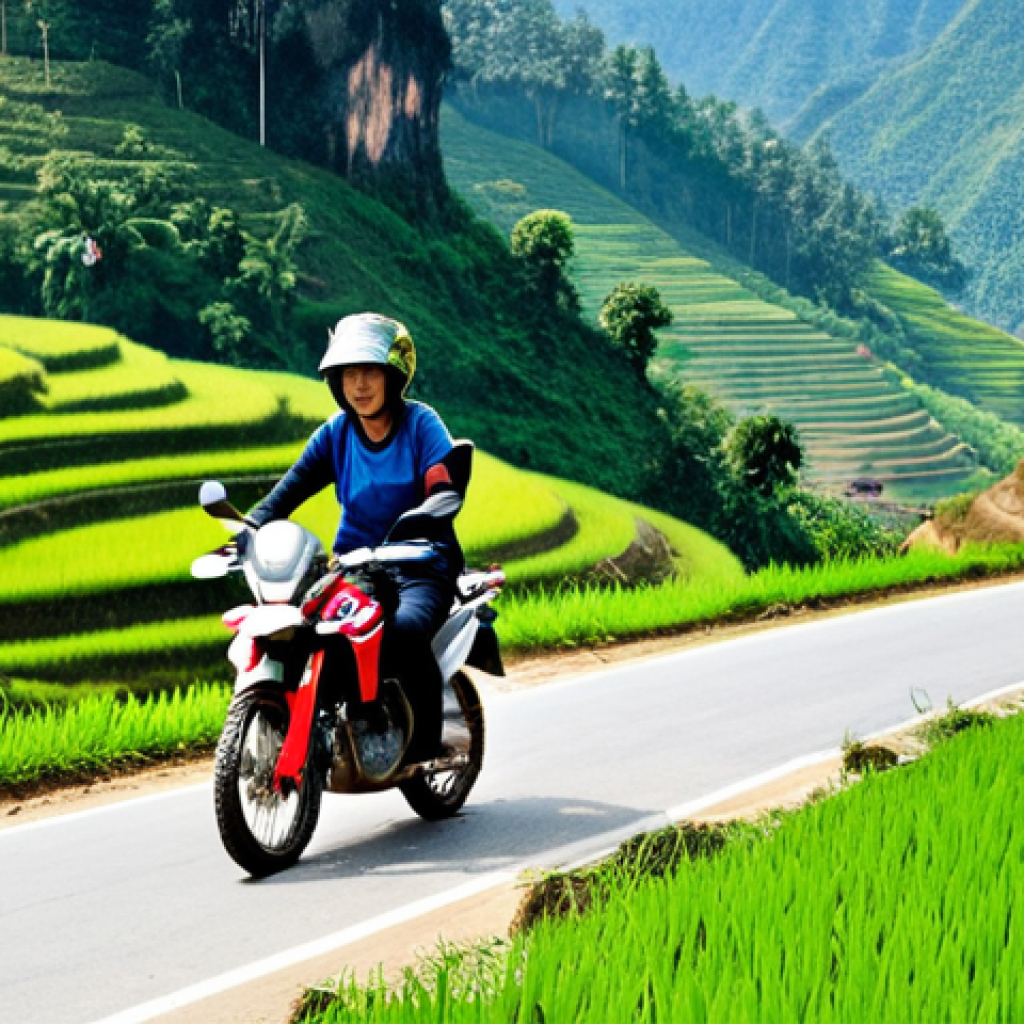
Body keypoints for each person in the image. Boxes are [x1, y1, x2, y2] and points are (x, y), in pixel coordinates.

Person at [246, 313, 463, 762]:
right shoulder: (336, 434)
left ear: (392, 376)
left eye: (369, 373)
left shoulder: (422, 425)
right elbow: (289, 490)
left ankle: (427, 743)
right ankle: (342, 721)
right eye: (349, 375)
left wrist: (436, 505)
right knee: (318, 632)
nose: (359, 385)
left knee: (403, 632)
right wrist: (249, 528)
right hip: (357, 564)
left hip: (422, 562)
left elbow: (443, 482)